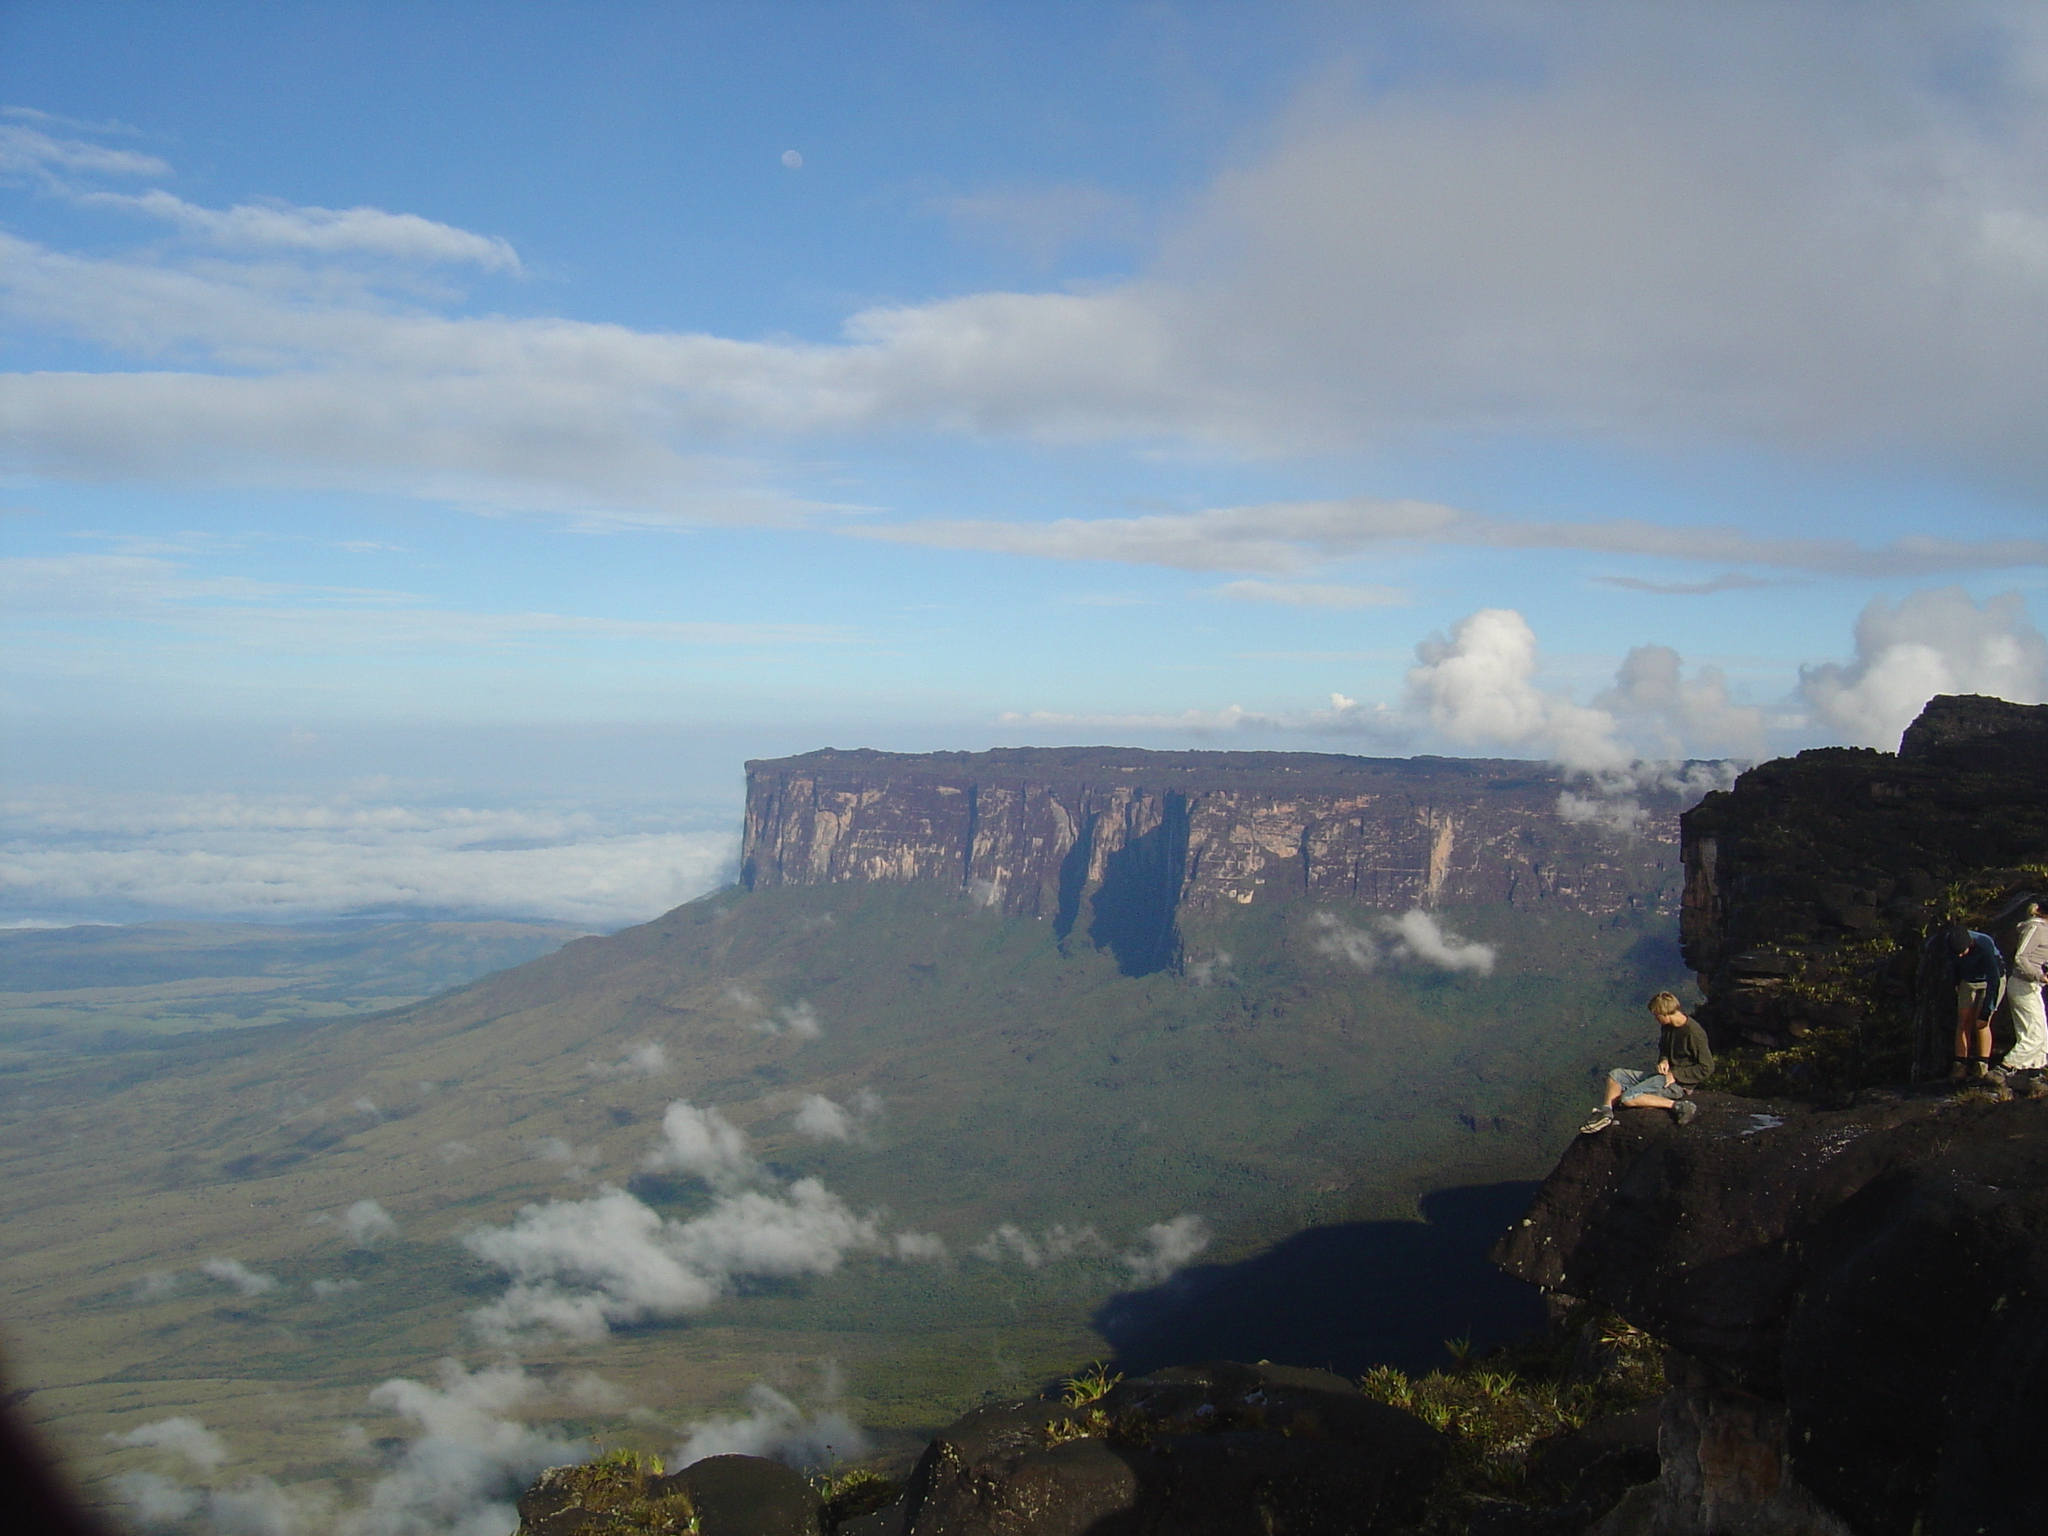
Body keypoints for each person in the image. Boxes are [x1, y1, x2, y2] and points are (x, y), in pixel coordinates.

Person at [1580, 992, 1715, 1133]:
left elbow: (1707, 1067)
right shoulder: (1668, 1027)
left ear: (1665, 1013)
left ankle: (1679, 1106)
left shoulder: (1693, 1033)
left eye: (1657, 1015)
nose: (1655, 1018)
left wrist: (1675, 1075)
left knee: (1628, 1098)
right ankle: (1606, 1113)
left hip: (1678, 1084)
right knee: (1616, 1075)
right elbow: (1664, 1049)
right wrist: (1664, 1060)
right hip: (1663, 1077)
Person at [1947, 925, 2005, 1081]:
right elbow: (1952, 964)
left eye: (1962, 952)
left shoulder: (1984, 945)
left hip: (1990, 980)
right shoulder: (1950, 942)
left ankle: (1982, 1064)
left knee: (1981, 1023)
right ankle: (1960, 1064)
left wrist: (1986, 1012)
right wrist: (1956, 982)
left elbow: (1994, 981)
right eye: (1956, 953)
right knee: (1963, 1022)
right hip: (1968, 980)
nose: (1959, 956)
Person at [1999, 899, 2048, 1084]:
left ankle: (2034, 1075)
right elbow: (2020, 957)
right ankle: (2003, 1069)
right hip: (2022, 986)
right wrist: (2039, 976)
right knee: (2033, 1036)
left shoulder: (2044, 929)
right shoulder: (2036, 928)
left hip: (2032, 987)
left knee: (2041, 1035)